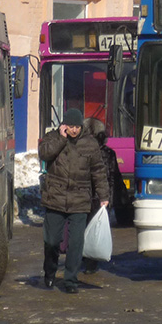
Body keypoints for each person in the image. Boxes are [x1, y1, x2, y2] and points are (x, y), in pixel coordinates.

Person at [39, 108, 109, 293]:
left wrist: (103, 196)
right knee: (52, 241)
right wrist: (61, 139)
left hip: (80, 200)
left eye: (77, 126)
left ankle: (71, 280)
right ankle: (50, 272)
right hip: (55, 198)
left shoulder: (90, 144)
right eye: (70, 126)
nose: (74, 130)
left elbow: (98, 171)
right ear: (64, 126)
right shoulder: (52, 138)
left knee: (76, 244)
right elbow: (44, 154)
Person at [80, 117, 121, 274]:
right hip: (100, 198)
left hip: (84, 196)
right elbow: (113, 177)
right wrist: (111, 198)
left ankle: (86, 258)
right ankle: (91, 261)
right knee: (95, 230)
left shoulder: (80, 152)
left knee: (83, 228)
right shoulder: (109, 154)